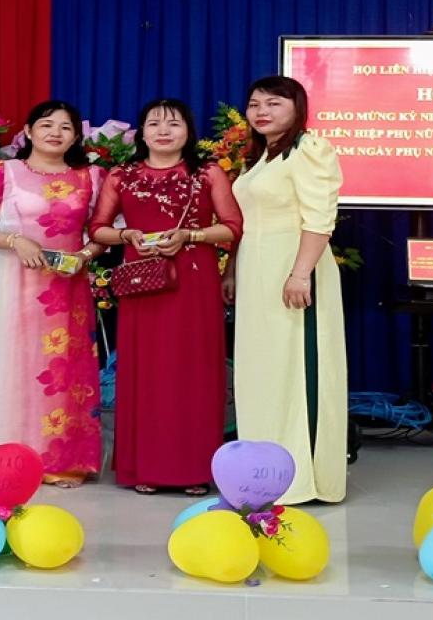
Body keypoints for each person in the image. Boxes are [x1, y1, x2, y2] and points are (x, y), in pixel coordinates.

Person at [90, 99, 242, 495]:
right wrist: (126, 235)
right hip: (143, 282)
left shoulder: (207, 173)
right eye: (154, 123)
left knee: (195, 371)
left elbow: (232, 227)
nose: (163, 131)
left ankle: (194, 468)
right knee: (146, 372)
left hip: (194, 282)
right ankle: (145, 467)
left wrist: (191, 235)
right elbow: (98, 228)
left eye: (173, 124)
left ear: (188, 131)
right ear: (141, 132)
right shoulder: (121, 176)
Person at [0, 100, 107, 488]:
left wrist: (84, 256)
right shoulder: (3, 172)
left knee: (64, 371)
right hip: (15, 282)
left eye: (65, 127)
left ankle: (60, 460)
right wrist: (14, 241)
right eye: (46, 125)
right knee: (16, 365)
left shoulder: (91, 177)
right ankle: (12, 456)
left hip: (67, 287)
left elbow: (101, 233)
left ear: (76, 137)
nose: (55, 133)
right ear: (28, 131)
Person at [222, 75, 347, 504]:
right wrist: (232, 271)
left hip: (293, 266)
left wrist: (300, 273)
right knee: (263, 370)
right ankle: (262, 473)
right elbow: (247, 223)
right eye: (255, 104)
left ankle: (301, 477)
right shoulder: (260, 157)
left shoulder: (308, 149)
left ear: (297, 108)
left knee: (296, 368)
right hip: (256, 269)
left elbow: (320, 217)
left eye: (274, 103)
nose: (262, 111)